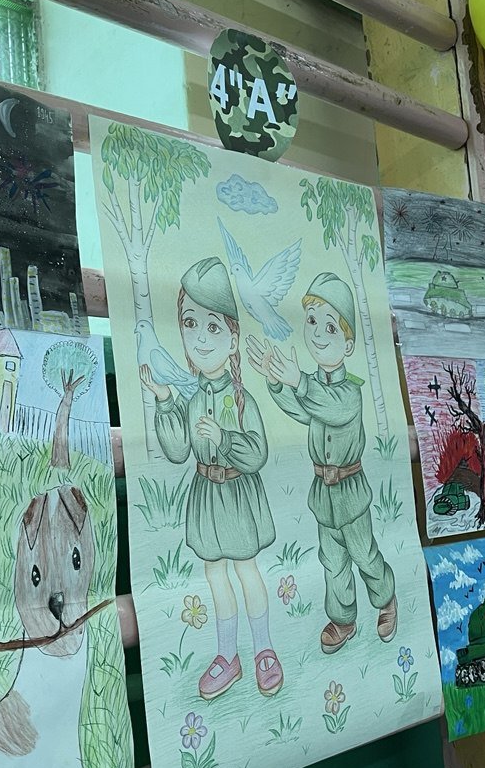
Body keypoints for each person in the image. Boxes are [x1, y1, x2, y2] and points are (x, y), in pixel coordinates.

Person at [140, 257, 283, 700]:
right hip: (207, 497)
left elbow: (258, 452)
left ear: (233, 339)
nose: (201, 338)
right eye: (190, 324)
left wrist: (224, 438)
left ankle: (264, 650)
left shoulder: (242, 400)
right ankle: (227, 656)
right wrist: (165, 401)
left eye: (213, 327)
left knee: (247, 571)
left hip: (238, 496)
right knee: (216, 576)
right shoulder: (189, 397)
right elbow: (178, 450)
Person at [248, 272, 397, 655]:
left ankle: (386, 599)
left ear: (348, 344)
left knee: (364, 554)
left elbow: (332, 408)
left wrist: (298, 380)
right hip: (324, 495)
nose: (317, 333)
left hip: (351, 492)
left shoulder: (350, 392)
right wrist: (277, 382)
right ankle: (343, 619)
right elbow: (302, 410)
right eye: (312, 321)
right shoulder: (313, 387)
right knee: (332, 561)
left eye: (330, 327)